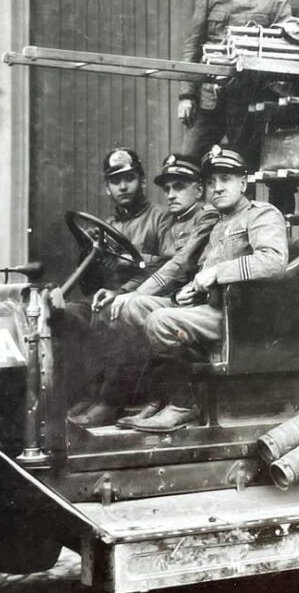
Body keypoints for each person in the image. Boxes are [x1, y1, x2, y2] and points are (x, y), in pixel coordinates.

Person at [116, 147, 288, 432]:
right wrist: (188, 291)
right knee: (135, 306)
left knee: (161, 321)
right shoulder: (219, 222)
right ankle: (162, 395)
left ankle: (184, 405)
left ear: (244, 183)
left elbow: (273, 262)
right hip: (210, 307)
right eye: (210, 182)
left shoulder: (261, 214)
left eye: (225, 179)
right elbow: (195, 271)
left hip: (241, 317)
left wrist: (217, 273)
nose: (216, 188)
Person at [93, 154, 220, 426]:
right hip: (176, 297)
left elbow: (179, 265)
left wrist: (136, 295)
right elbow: (155, 265)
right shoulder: (171, 222)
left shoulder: (205, 215)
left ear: (198, 190)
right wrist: (120, 292)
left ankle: (175, 400)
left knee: (135, 309)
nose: (171, 195)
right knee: (113, 309)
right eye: (168, 189)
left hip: (198, 300)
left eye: (180, 187)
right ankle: (146, 397)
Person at [58, 148, 172, 426]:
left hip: (142, 300)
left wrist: (122, 290)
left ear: (142, 181)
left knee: (113, 312)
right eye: (115, 181)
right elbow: (90, 285)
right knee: (70, 313)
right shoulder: (106, 227)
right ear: (107, 188)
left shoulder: (161, 219)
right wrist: (88, 252)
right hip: (107, 298)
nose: (123, 186)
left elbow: (170, 268)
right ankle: (88, 393)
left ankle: (111, 401)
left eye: (129, 178)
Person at [179, 0, 291, 160]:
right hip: (209, 100)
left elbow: (283, 56)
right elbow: (193, 47)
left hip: (248, 105)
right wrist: (186, 96)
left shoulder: (274, 3)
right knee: (187, 161)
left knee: (240, 170)